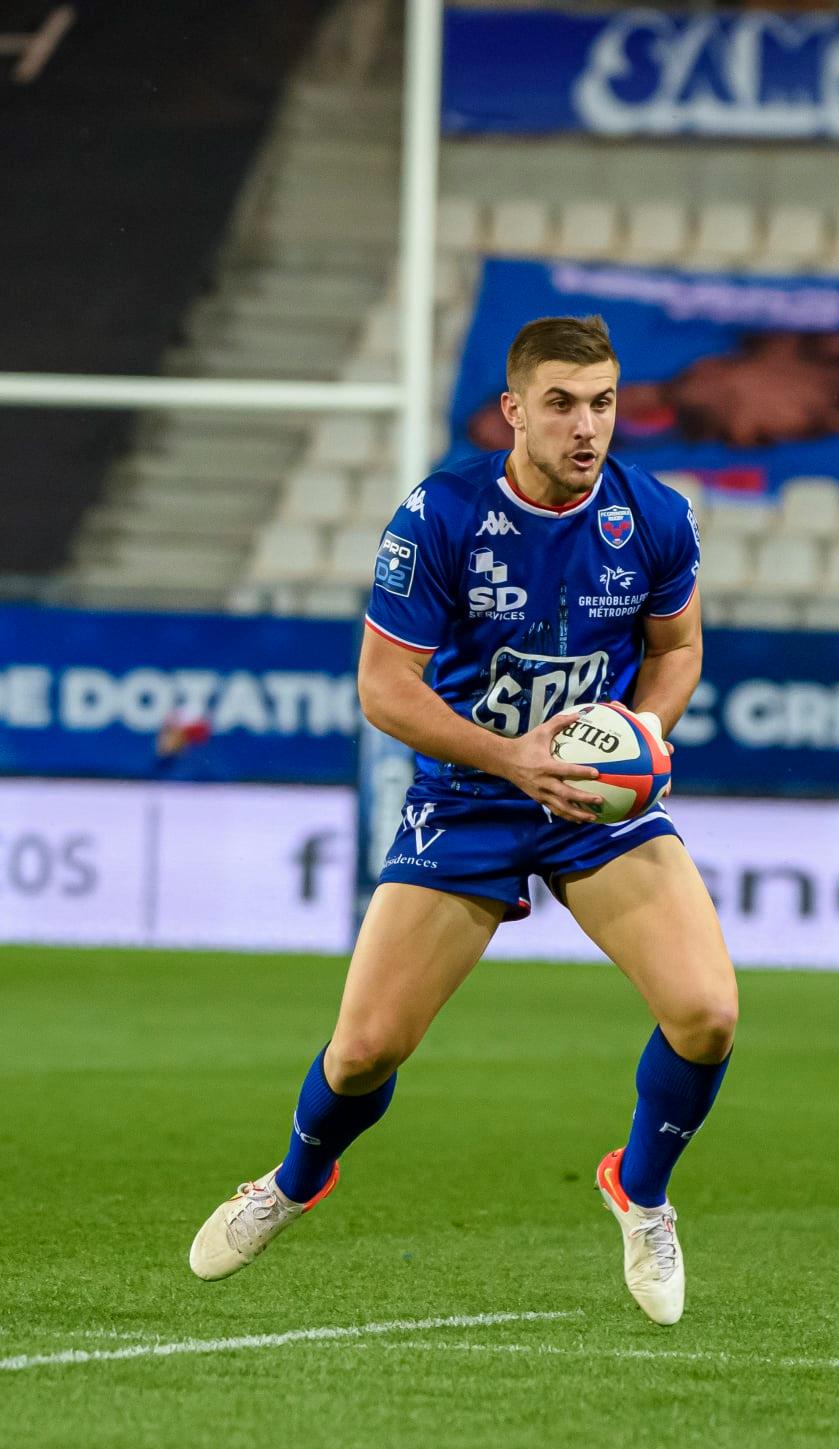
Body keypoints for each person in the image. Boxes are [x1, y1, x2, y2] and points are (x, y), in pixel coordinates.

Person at [189, 313, 738, 1326]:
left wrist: (640, 736)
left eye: (603, 403)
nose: (586, 426)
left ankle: (641, 1191)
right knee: (364, 1050)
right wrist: (512, 757)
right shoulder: (440, 516)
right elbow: (383, 689)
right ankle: (293, 1179)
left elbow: (677, 649)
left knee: (706, 1014)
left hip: (593, 804)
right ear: (513, 410)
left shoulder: (654, 515)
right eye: (562, 404)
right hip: (469, 796)